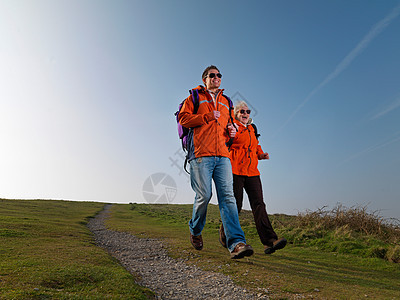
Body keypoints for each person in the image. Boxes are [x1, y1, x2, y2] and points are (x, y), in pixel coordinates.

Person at [178, 65, 253, 259]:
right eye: (212, 75)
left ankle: (236, 243)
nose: (216, 77)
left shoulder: (226, 101)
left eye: (219, 75)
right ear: (205, 79)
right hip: (201, 154)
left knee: (228, 197)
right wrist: (206, 117)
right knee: (204, 196)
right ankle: (195, 230)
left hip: (223, 156)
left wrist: (232, 131)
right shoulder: (195, 96)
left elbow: (229, 125)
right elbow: (183, 118)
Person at [219, 100, 287, 255]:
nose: (245, 114)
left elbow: (255, 146)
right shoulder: (232, 127)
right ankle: (225, 234)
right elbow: (225, 143)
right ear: (236, 113)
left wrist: (261, 154)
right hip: (235, 170)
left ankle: (270, 241)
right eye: (242, 111)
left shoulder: (252, 128)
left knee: (259, 204)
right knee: (235, 205)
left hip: (253, 172)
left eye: (247, 112)